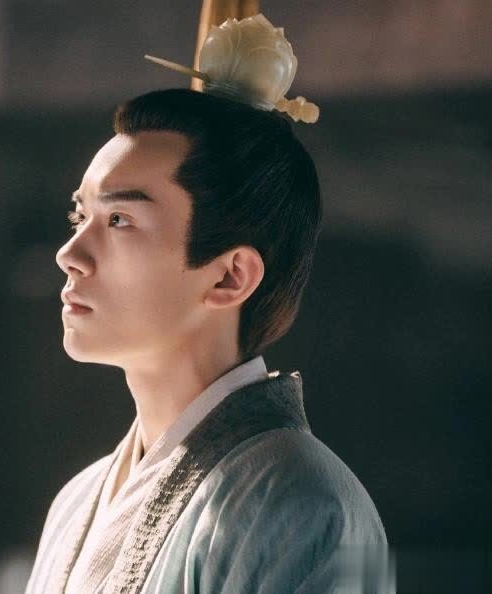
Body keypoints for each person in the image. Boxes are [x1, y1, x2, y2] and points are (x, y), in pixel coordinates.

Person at [25, 14, 391, 594]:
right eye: (80, 215)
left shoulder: (304, 502)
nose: (70, 254)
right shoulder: (75, 502)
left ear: (230, 275)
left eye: (119, 220)